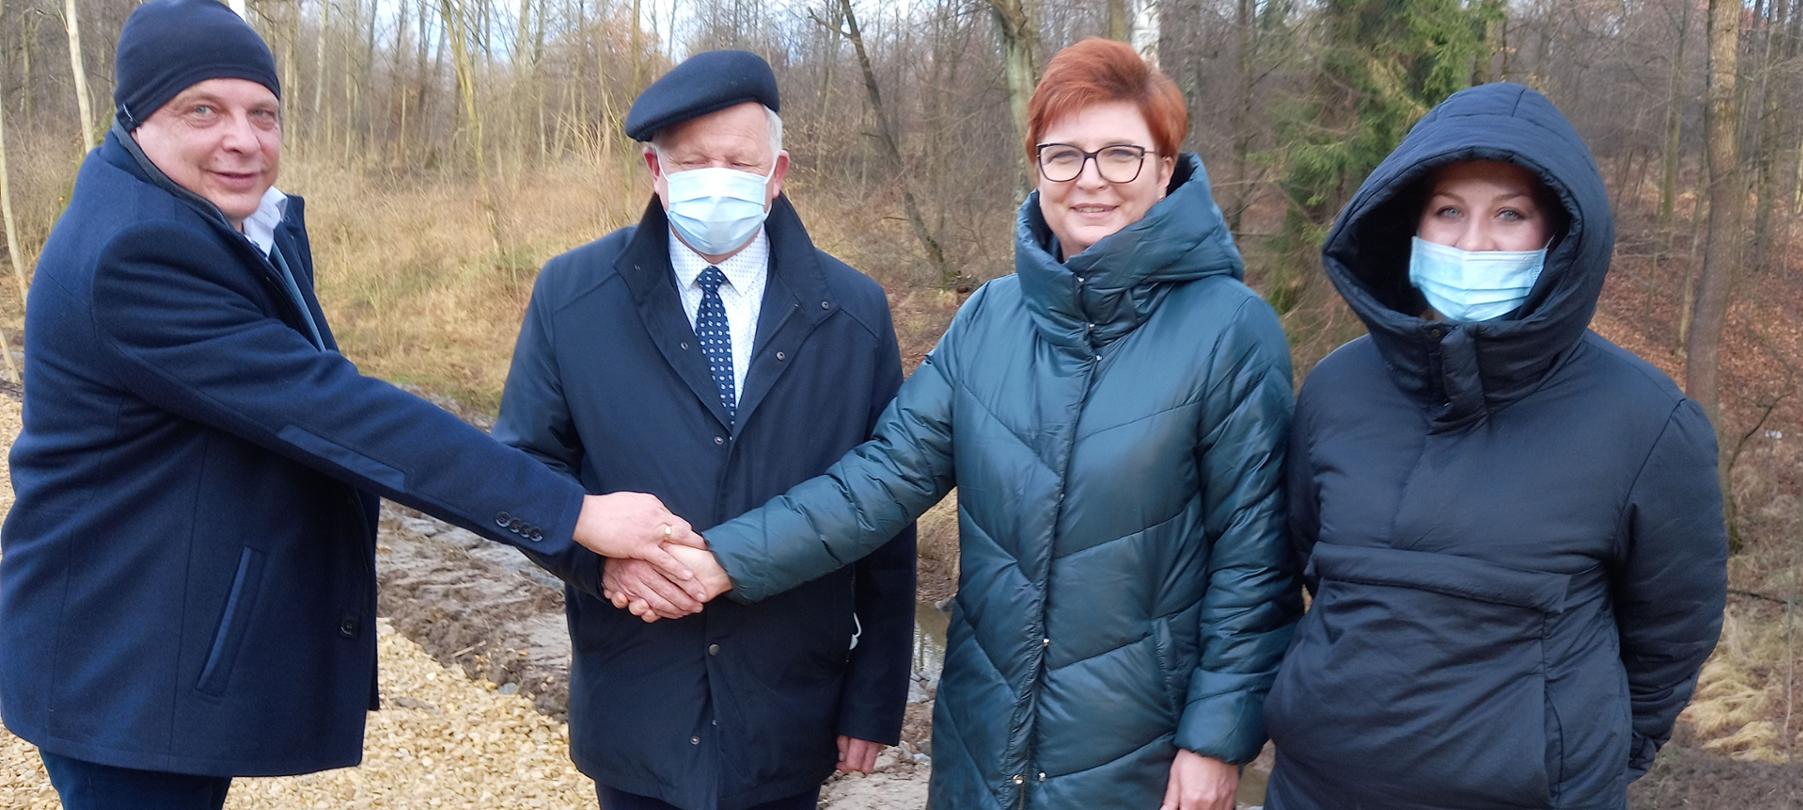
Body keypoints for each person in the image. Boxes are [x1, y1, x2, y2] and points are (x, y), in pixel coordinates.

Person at [0, 3, 697, 807]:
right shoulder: (134, 253)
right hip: (120, 663)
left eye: (263, 113)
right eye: (203, 110)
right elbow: (338, 413)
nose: (243, 138)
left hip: (146, 638)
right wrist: (574, 513)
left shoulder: (213, 220)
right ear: (137, 117)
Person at [611, 38, 1300, 810]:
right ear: (1038, 167)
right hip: (984, 735)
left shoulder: (1231, 331)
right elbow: (880, 480)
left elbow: (1254, 566)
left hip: (1139, 750)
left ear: (1166, 168)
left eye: (1122, 155)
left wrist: (1215, 741)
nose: (1091, 180)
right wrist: (721, 560)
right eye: (1063, 155)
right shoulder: (991, 320)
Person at [1261, 82, 1727, 808]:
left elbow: (1671, 633)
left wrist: (1580, 759)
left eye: (1509, 215)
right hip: (1318, 788)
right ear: (1410, 224)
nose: (1472, 243)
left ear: (1559, 236)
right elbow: (1311, 563)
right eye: (1450, 212)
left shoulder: (1646, 419)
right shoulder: (1335, 389)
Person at [494, 50, 916, 810]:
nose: (717, 179)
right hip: (637, 700)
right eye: (694, 162)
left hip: (789, 708)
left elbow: (884, 510)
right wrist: (603, 566)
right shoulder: (572, 296)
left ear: (777, 173)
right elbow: (523, 472)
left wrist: (874, 695)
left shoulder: (854, 314)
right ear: (656, 171)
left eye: (739, 161)